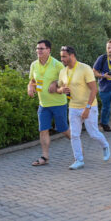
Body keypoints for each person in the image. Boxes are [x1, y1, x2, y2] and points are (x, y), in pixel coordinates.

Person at [57, 45, 111, 170]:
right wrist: (61, 90)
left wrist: (87, 108)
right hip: (73, 107)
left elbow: (94, 89)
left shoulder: (85, 68)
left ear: (72, 55)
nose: (62, 59)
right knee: (74, 134)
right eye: (61, 57)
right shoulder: (63, 72)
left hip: (89, 106)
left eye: (64, 56)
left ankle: (105, 145)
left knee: (93, 133)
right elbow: (59, 87)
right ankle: (79, 160)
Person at [27, 39, 69, 167]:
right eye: (37, 48)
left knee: (64, 130)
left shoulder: (57, 65)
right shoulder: (34, 65)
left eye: (41, 48)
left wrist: (55, 83)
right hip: (43, 105)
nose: (38, 51)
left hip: (58, 104)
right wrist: (30, 86)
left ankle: (78, 148)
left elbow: (66, 82)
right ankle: (45, 157)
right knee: (43, 130)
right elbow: (32, 80)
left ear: (48, 50)